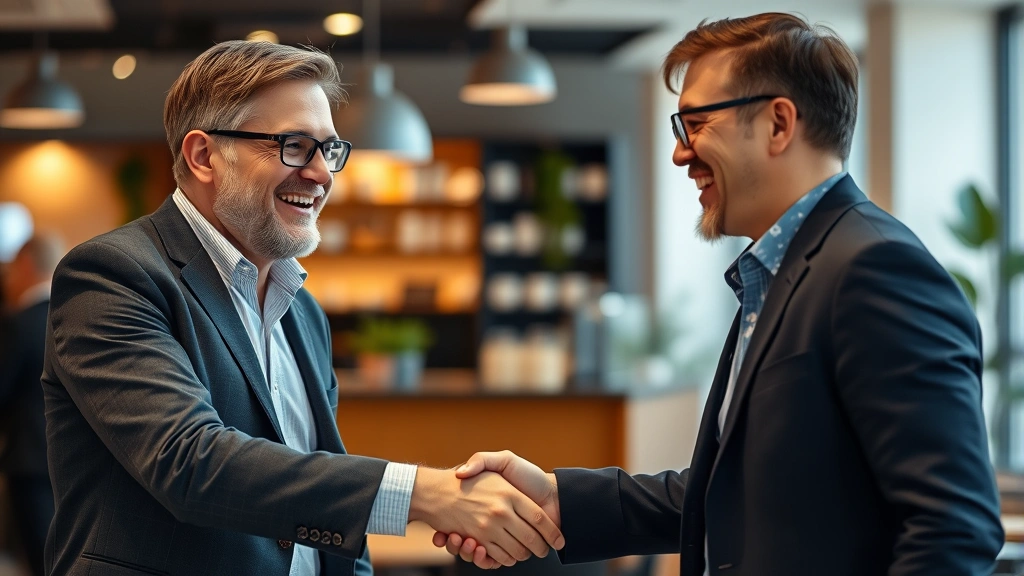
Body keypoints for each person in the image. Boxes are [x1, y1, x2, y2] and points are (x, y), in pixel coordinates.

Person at [436, 12, 1005, 576]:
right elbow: (741, 496)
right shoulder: (780, 272)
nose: (681, 154)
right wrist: (559, 499)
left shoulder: (876, 267)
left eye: (696, 124)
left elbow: (953, 527)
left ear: (779, 124)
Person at [40, 40, 561, 576]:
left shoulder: (302, 311)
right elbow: (189, 463)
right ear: (203, 156)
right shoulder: (112, 275)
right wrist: (425, 494)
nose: (321, 173)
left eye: (329, 150)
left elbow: (319, 489)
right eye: (293, 145)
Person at [0, 234, 64, 576]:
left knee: (38, 559)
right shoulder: (77, 316)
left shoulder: (18, 323)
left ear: (26, 265)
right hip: (72, 459)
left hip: (28, 460)